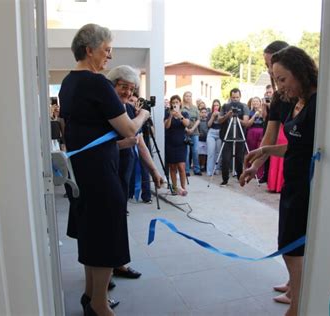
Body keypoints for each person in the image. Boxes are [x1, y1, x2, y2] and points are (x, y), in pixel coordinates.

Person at [59, 24, 151, 316]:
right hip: (100, 172)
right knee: (106, 234)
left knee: (91, 233)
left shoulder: (67, 83)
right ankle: (99, 303)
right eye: (107, 50)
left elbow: (71, 128)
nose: (109, 57)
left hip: (82, 169)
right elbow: (127, 130)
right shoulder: (97, 83)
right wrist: (144, 115)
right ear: (90, 49)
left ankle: (90, 297)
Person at [240, 45, 318, 316]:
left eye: (282, 79)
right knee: (287, 246)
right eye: (275, 79)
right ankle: (297, 299)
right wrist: (263, 153)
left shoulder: (319, 103)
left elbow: (313, 152)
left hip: (307, 187)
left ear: (300, 71)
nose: (279, 86)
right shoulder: (296, 102)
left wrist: (266, 150)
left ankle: (297, 307)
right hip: (292, 183)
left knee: (293, 249)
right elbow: (294, 148)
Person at [106, 65, 164, 283]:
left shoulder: (129, 111)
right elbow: (104, 146)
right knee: (107, 224)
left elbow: (140, 145)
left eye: (131, 89)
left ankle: (118, 263)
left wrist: (154, 172)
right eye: (123, 87)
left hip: (124, 175)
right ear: (112, 86)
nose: (128, 93)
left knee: (119, 220)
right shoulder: (105, 110)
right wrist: (123, 144)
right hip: (107, 174)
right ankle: (103, 270)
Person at [218, 88, 250, 185]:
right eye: (233, 97)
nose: (235, 99)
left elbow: (246, 123)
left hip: (239, 137)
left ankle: (240, 177)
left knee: (239, 159)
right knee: (226, 159)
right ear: (230, 97)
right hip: (227, 136)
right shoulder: (225, 106)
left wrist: (236, 118)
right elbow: (219, 120)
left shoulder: (244, 107)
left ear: (240, 97)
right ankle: (225, 179)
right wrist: (227, 115)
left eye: (237, 97)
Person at [164, 95, 190, 195]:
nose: (175, 104)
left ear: (180, 103)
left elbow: (187, 124)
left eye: (177, 102)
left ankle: (183, 188)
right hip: (170, 143)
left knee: (181, 166)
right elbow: (166, 126)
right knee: (172, 167)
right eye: (173, 102)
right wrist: (171, 115)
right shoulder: (167, 113)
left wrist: (180, 116)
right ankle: (174, 188)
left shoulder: (184, 113)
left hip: (181, 144)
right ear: (171, 104)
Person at [245, 97, 266, 179]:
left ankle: (259, 173)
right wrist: (254, 115)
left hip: (261, 133)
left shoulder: (264, 111)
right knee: (251, 151)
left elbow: (266, 122)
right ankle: (249, 171)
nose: (255, 103)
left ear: (260, 102)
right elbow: (248, 124)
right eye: (254, 101)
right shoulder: (249, 112)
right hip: (251, 132)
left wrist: (262, 114)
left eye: (257, 101)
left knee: (260, 152)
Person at [182, 91, 201, 176]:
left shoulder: (195, 108)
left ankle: (197, 169)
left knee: (195, 151)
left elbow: (198, 119)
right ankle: (186, 170)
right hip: (184, 132)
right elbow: (180, 120)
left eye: (190, 96)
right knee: (186, 152)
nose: (188, 97)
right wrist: (186, 129)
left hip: (194, 132)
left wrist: (192, 129)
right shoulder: (181, 108)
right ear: (184, 97)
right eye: (186, 96)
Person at [206, 99, 222, 176]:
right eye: (214, 105)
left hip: (219, 132)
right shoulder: (209, 114)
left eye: (217, 105)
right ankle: (209, 170)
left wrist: (219, 115)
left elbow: (222, 123)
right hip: (211, 132)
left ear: (219, 106)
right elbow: (208, 125)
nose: (216, 107)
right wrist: (212, 116)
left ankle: (217, 169)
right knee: (211, 152)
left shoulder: (222, 113)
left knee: (218, 152)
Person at [197, 107, 209, 172]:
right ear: (200, 113)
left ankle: (203, 166)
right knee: (199, 153)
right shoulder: (198, 121)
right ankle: (198, 165)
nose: (204, 114)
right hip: (199, 138)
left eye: (205, 112)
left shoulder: (208, 121)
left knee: (204, 153)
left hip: (206, 138)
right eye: (202, 112)